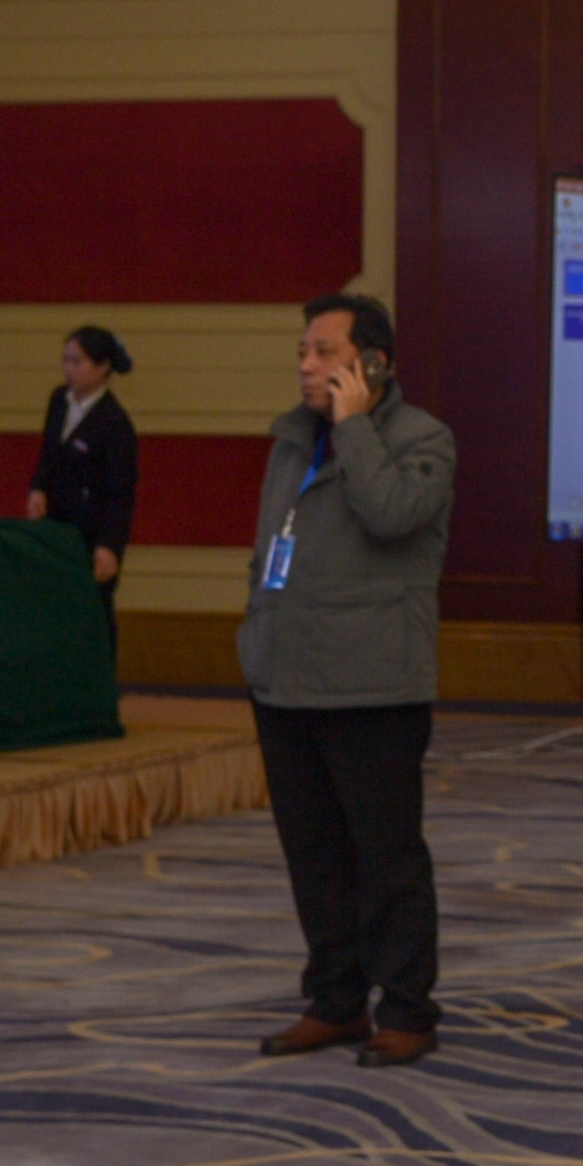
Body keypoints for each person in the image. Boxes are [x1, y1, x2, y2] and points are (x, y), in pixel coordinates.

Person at [244, 290, 455, 1064]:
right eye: (302, 351)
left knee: (386, 859)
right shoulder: (291, 441)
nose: (305, 365)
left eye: (324, 353)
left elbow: (392, 513)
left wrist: (355, 426)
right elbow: (270, 549)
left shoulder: (422, 438)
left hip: (373, 684)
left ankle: (406, 1009)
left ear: (372, 364)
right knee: (314, 855)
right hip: (285, 677)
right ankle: (335, 1001)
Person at [28, 321, 140, 618]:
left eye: (77, 362)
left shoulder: (115, 424)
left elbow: (120, 495)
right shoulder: (59, 401)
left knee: (92, 611)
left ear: (103, 367)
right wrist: (38, 488)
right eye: (65, 360)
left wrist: (109, 546)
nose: (68, 369)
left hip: (90, 534)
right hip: (55, 528)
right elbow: (48, 452)